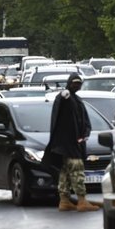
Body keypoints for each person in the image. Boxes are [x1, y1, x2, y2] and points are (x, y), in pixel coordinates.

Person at [44, 73, 99, 212]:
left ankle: (65, 200)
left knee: (65, 171)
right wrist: (64, 95)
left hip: (74, 142)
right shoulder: (65, 98)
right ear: (69, 83)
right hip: (67, 142)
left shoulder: (77, 100)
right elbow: (61, 101)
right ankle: (81, 200)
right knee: (76, 168)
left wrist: (84, 134)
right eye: (74, 83)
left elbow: (84, 120)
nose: (77, 86)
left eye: (79, 83)